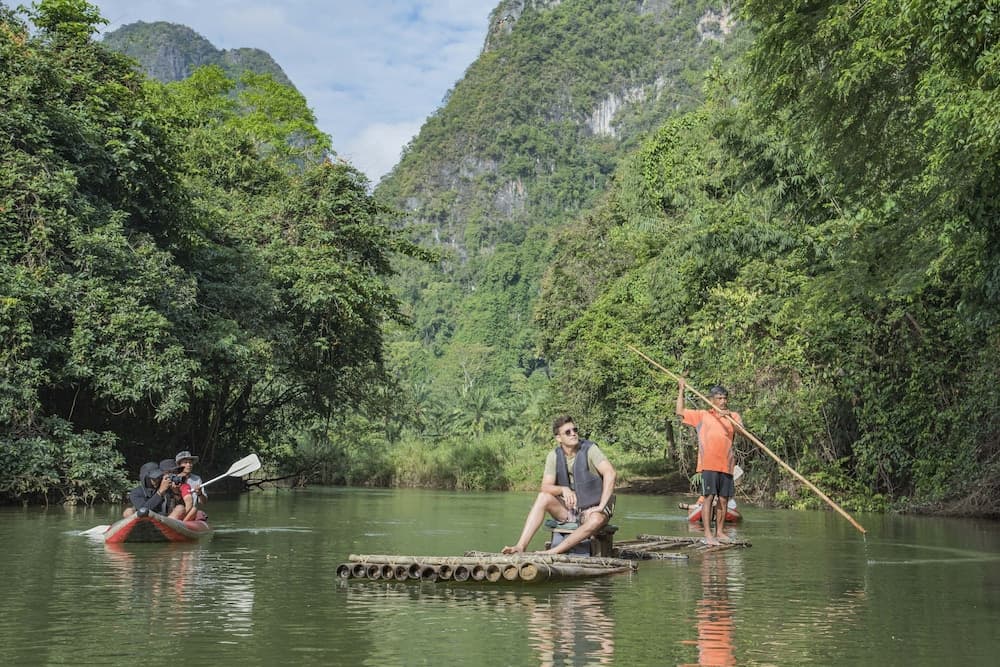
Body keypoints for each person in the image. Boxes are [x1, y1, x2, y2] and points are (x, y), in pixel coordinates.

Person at [502, 415, 616, 555]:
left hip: (593, 510)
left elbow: (610, 473)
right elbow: (545, 487)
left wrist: (601, 506)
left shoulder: (590, 449)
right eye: (567, 432)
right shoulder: (554, 456)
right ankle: (520, 546)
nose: (573, 434)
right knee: (543, 497)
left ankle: (555, 551)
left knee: (596, 519)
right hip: (570, 510)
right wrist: (563, 489)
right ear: (558, 438)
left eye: (575, 430)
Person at [676, 381, 742, 545]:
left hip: (727, 465)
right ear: (712, 400)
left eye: (725, 398)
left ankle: (719, 532)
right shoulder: (702, 415)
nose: (723, 401)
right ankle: (708, 534)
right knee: (708, 497)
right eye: (719, 398)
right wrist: (681, 390)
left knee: (724, 499)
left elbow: (741, 431)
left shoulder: (733, 416)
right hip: (709, 464)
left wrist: (728, 417)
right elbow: (679, 412)